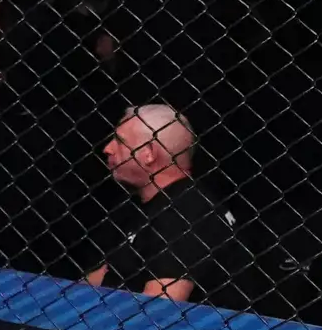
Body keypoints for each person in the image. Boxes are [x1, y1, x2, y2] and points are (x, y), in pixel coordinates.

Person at [87, 104, 235, 303]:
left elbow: (158, 312)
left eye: (120, 142)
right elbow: (105, 275)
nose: (107, 149)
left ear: (149, 153)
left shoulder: (186, 214)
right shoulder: (139, 204)